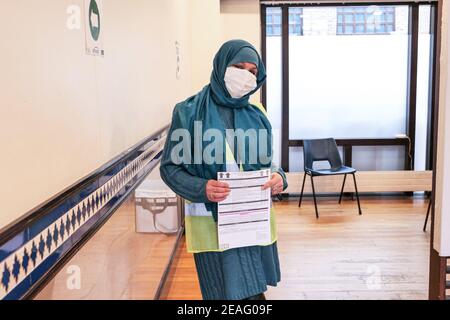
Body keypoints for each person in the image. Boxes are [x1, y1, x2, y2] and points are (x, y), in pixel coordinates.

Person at [160, 39, 288, 300]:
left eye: (253, 71)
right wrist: (201, 187)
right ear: (221, 66)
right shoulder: (188, 112)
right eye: (238, 67)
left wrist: (280, 177)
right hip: (210, 222)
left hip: (253, 220)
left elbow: (269, 165)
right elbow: (170, 168)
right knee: (220, 292)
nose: (245, 76)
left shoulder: (257, 113)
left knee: (253, 291)